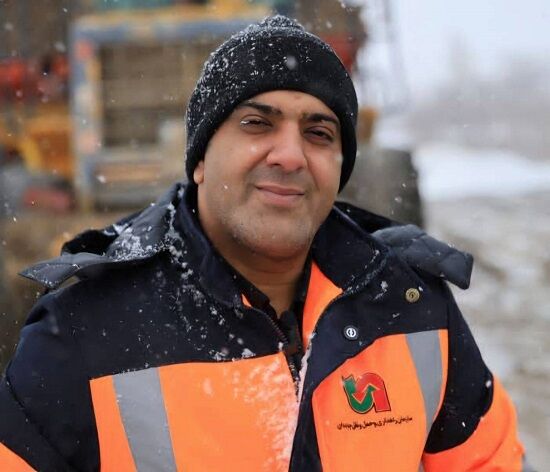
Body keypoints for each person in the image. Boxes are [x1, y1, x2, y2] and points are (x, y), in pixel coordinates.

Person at [0, 15, 526, 471]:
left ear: (340, 171)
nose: (290, 156)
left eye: (319, 133)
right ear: (200, 161)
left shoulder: (413, 309)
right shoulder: (84, 331)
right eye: (256, 124)